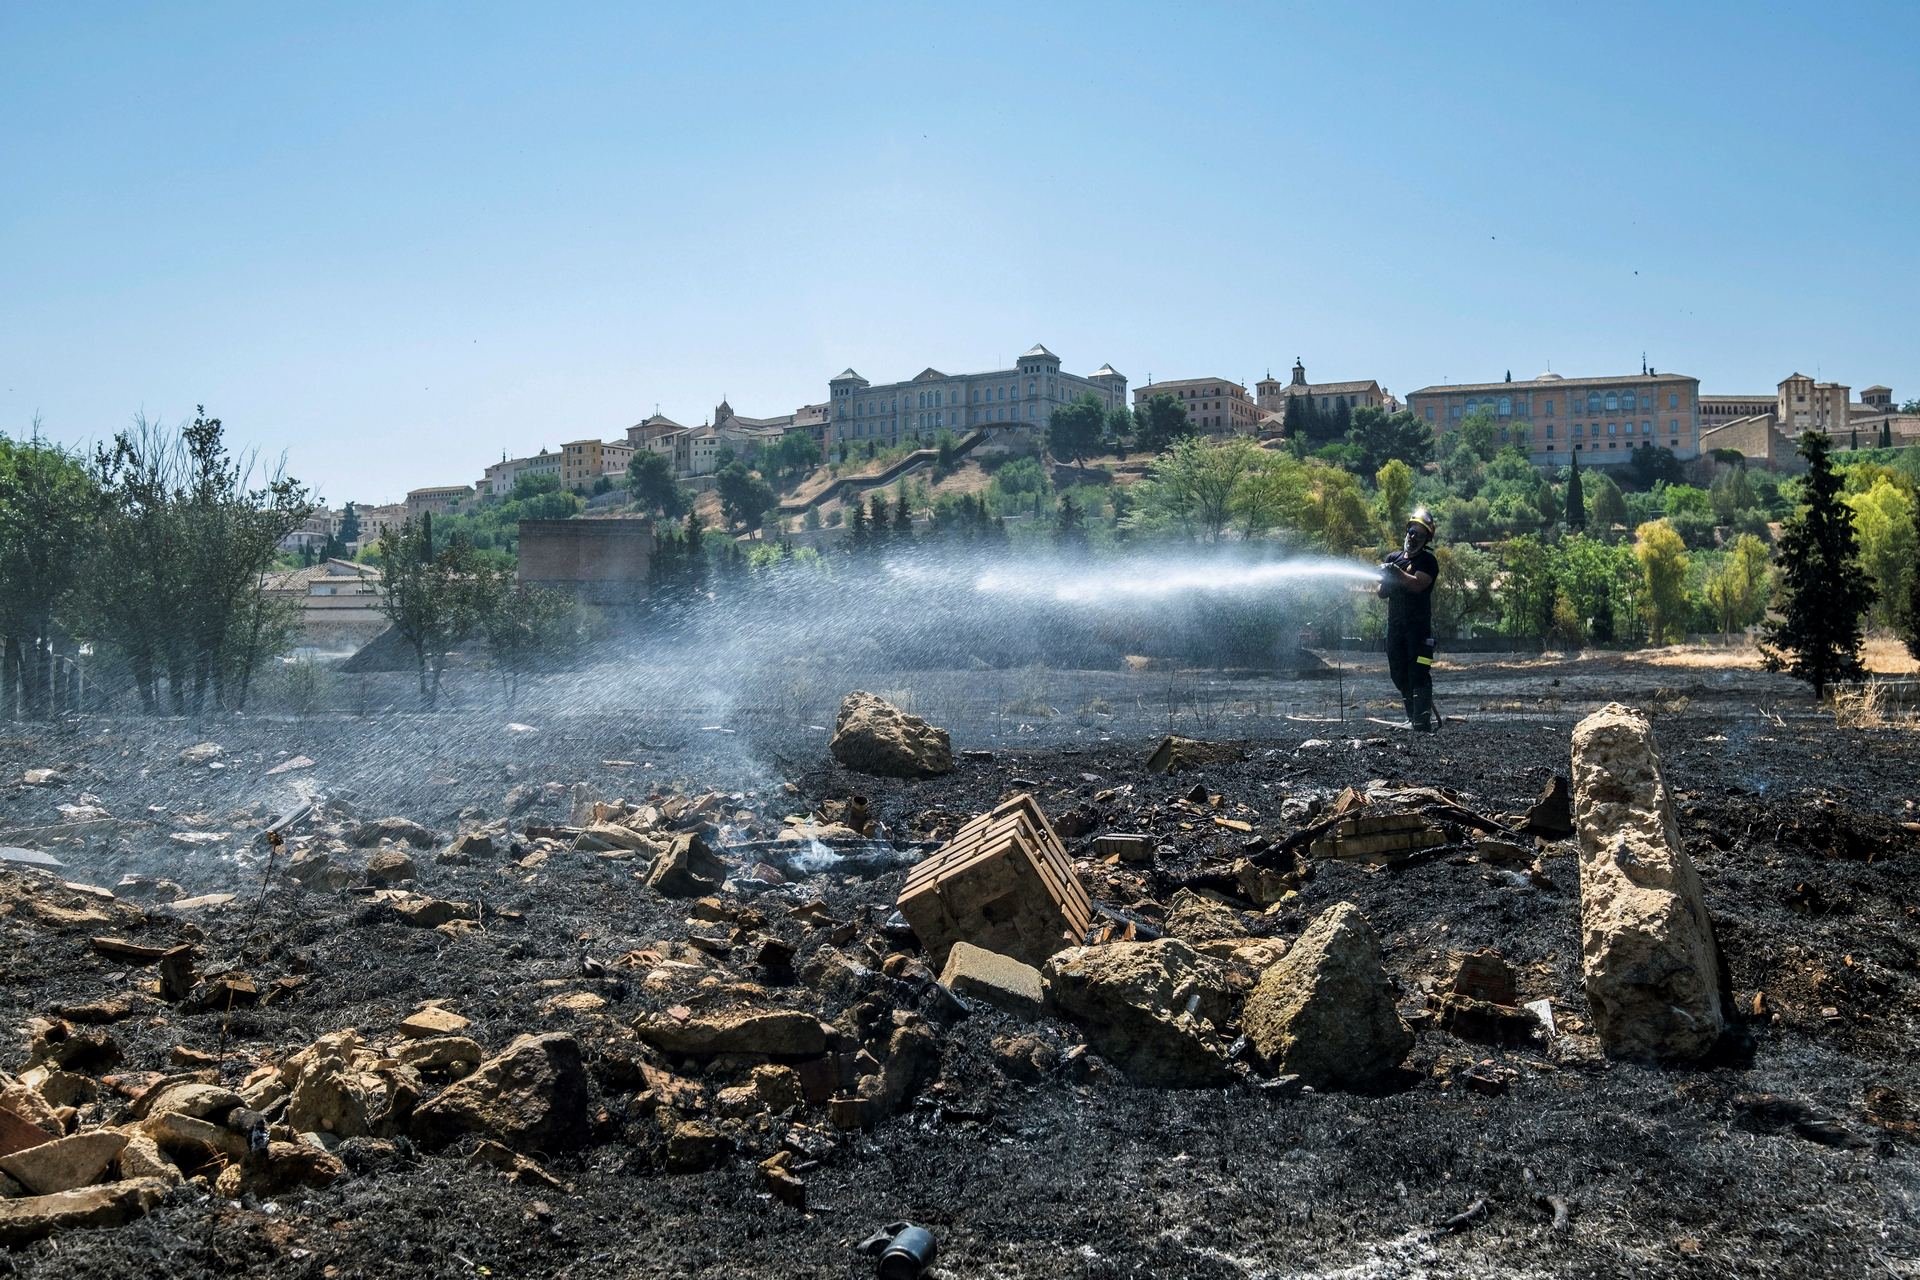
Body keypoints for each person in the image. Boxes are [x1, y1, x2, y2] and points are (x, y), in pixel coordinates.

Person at [1378, 509, 1440, 731]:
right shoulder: (1392, 558)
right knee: (1398, 673)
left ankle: (1421, 721)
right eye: (1412, 531)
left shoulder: (1427, 561)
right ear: (1407, 530)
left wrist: (1396, 573)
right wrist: (1387, 577)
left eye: (1419, 534)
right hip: (1395, 629)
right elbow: (1381, 593)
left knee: (1419, 671)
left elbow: (1417, 584)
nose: (1413, 537)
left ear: (1426, 539)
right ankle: (1412, 718)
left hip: (1419, 632)